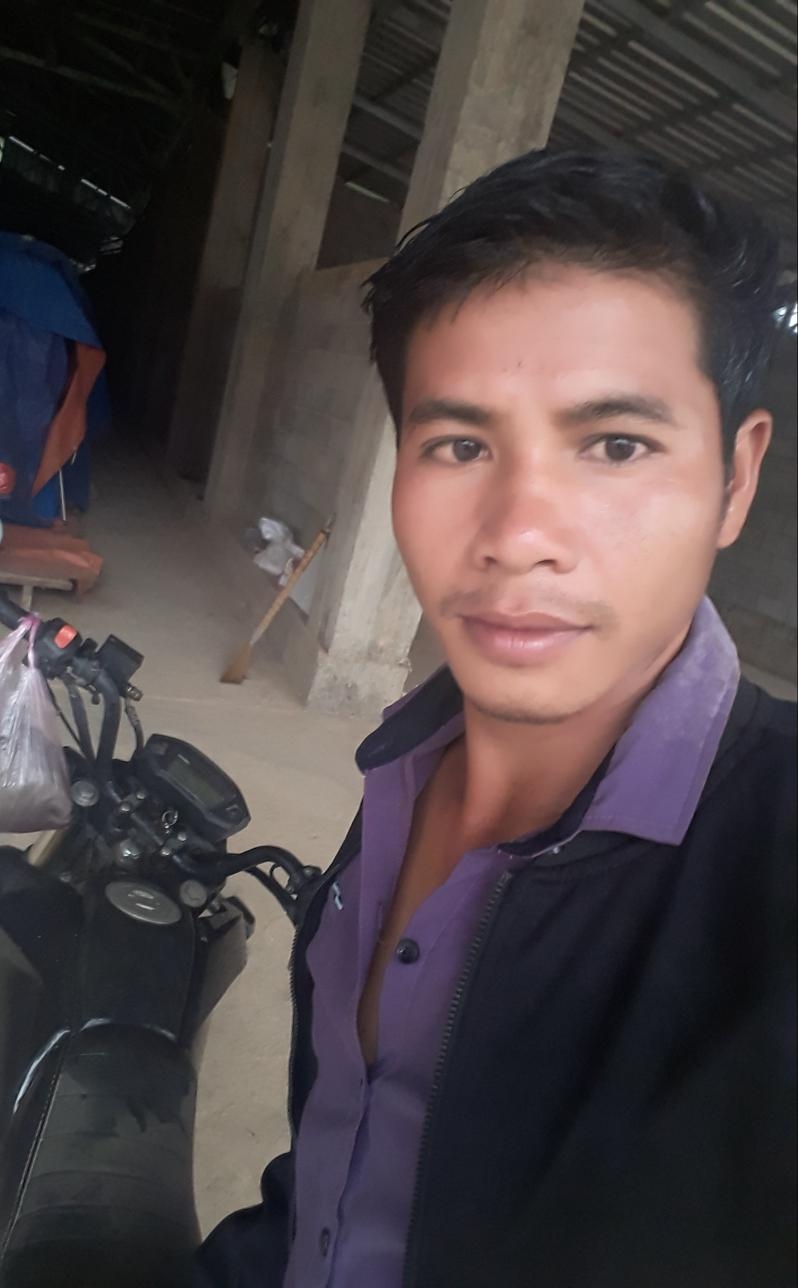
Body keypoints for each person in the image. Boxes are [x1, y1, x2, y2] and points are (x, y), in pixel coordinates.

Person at [195, 148, 796, 1288]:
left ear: (736, 478)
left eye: (616, 445)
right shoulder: (403, 773)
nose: (519, 533)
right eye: (461, 446)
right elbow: (341, 1171)